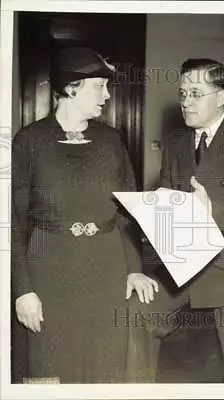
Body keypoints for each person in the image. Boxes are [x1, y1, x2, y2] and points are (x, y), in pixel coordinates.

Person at [11, 46, 158, 383]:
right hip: (48, 273)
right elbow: (12, 223)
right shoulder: (28, 142)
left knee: (104, 369)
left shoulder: (112, 141)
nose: (107, 95)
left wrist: (134, 270)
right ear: (71, 88)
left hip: (106, 272)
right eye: (99, 86)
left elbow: (127, 214)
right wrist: (22, 290)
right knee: (49, 370)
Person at [126, 58, 224, 383]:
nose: (185, 101)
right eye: (182, 92)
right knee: (137, 312)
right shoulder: (176, 142)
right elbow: (171, 194)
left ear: (221, 97)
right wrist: (151, 210)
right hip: (185, 263)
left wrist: (210, 209)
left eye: (196, 93)